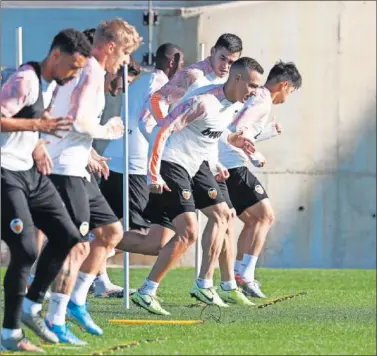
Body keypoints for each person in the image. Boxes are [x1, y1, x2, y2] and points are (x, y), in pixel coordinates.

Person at [131, 57, 263, 315]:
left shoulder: (231, 104)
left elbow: (213, 132)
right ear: (236, 79)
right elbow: (161, 129)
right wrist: (152, 174)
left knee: (224, 215)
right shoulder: (202, 102)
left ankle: (205, 283)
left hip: (198, 165)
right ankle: (147, 291)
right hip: (172, 162)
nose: (255, 92)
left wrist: (232, 144)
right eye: (252, 85)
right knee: (188, 233)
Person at [39, 18, 142, 345]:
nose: (125, 63)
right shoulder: (92, 71)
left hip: (77, 169)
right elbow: (78, 122)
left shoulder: (90, 70)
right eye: (125, 54)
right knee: (76, 246)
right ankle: (56, 315)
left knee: (112, 232)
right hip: (64, 172)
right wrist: (106, 130)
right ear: (110, 47)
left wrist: (90, 155)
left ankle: (78, 301)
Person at [0, 28, 92, 352]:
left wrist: (37, 144)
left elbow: (31, 121)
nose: (76, 74)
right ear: (56, 56)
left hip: (30, 172)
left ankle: (31, 305)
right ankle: (10, 335)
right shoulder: (25, 79)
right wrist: (38, 127)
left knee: (68, 236)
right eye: (74, 66)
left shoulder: (51, 84)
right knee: (25, 250)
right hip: (5, 173)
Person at [100, 43, 185, 281]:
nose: (183, 69)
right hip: (134, 164)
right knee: (151, 239)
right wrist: (163, 147)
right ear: (172, 62)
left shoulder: (145, 81)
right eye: (182, 63)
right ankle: (82, 243)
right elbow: (146, 123)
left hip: (118, 159)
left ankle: (98, 278)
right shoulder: (157, 83)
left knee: (107, 224)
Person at [218, 61, 302, 298]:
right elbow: (239, 127)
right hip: (233, 165)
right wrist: (254, 154)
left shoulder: (256, 97)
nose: (287, 97)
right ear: (284, 85)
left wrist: (266, 133)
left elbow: (239, 128)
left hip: (226, 163)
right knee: (266, 216)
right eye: (291, 92)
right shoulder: (263, 100)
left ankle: (238, 274)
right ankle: (246, 275)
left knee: (253, 221)